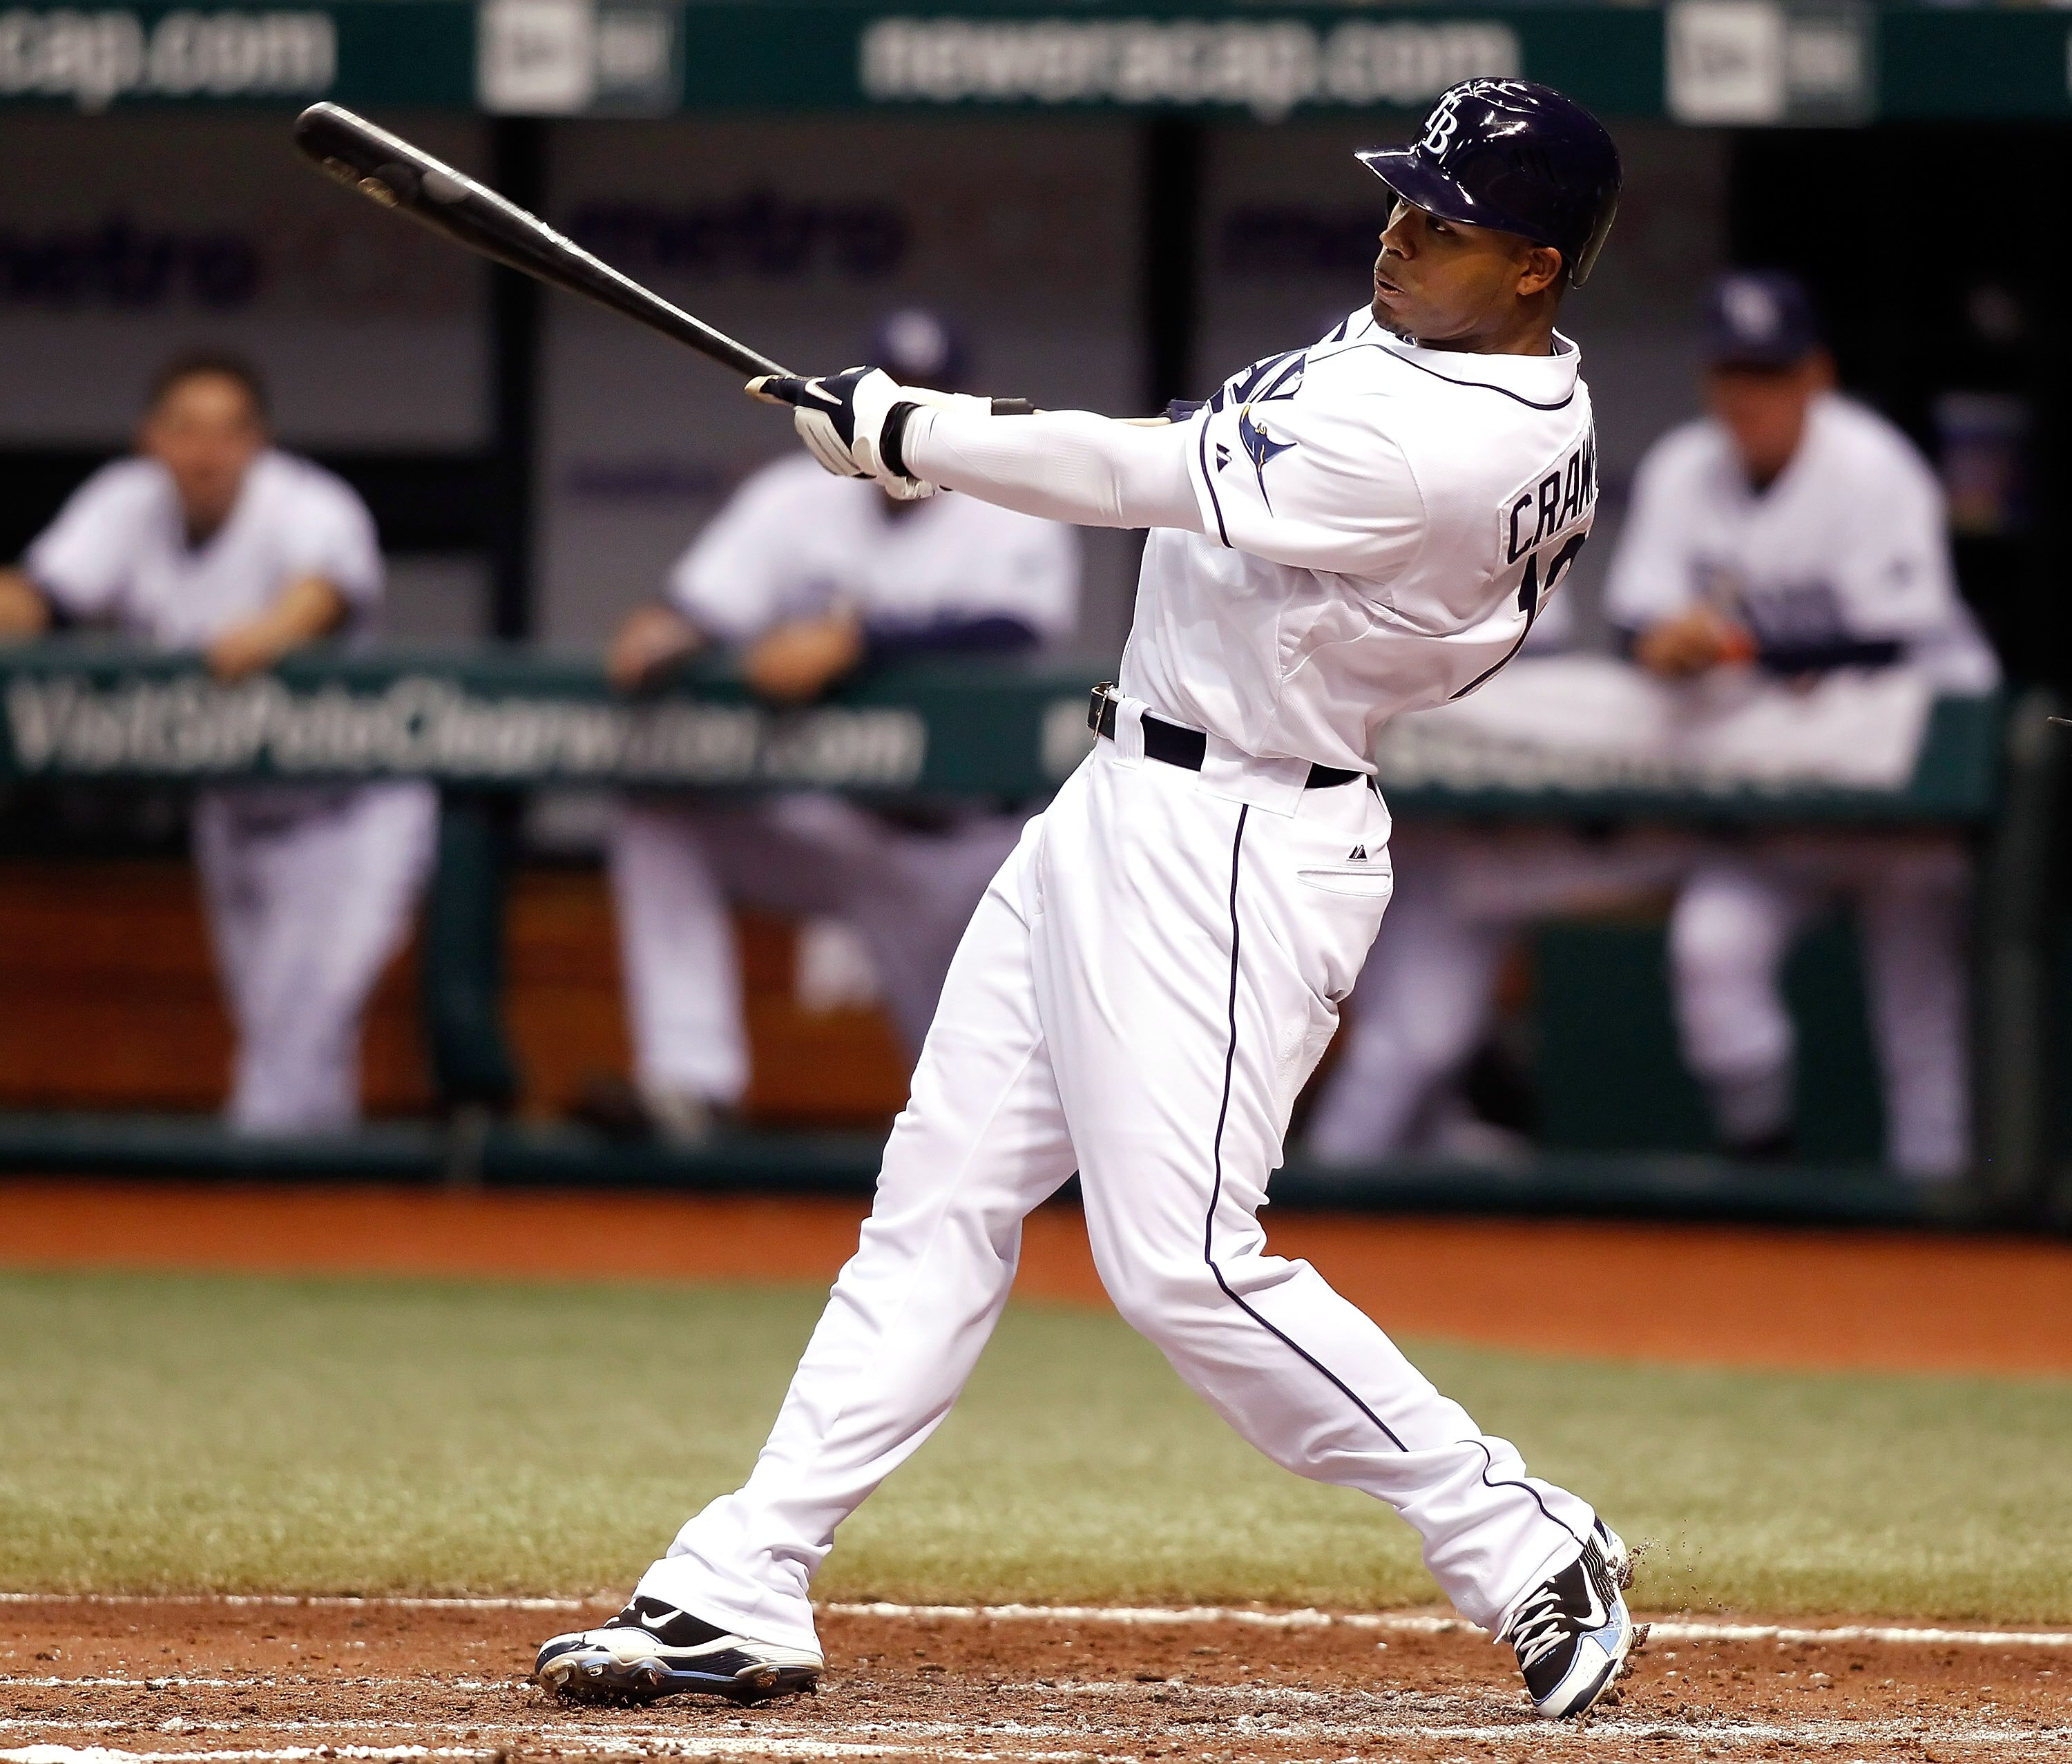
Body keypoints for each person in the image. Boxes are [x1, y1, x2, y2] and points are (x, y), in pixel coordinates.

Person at [538, 82, 1643, 1720]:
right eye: (1405, 196)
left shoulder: (1444, 448)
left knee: (1182, 1260)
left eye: (1450, 219)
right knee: (938, 1198)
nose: (1402, 228)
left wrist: (909, 434)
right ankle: (740, 1578)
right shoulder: (1450, 355)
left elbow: (1137, 470)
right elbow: (1170, 457)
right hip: (1122, 801)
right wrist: (922, 430)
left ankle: (1521, 1534)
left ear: (1536, 269)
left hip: (1241, 841)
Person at [596, 310, 1080, 1140]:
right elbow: (696, 606)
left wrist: (856, 639)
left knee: (981, 1123)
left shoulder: (1015, 500)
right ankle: (690, 1085)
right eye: (892, 400)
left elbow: (1016, 630)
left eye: (926, 403)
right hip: (832, 828)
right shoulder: (791, 499)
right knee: (661, 817)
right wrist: (670, 626)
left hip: (965, 858)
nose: (902, 424)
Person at [1606, 272, 1999, 1179]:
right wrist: (1665, 645)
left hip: (1905, 789)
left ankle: (1936, 1222)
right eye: (1732, 370)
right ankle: (1766, 1183)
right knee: (1711, 946)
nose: (1748, 394)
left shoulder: (1874, 464)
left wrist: (1729, 648)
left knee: (1919, 1011)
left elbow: (1889, 636)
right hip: (1786, 789)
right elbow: (1638, 620)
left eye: (1770, 372)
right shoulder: (1682, 467)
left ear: (1814, 375)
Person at [0, 352, 434, 1134]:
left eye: (229, 432)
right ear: (151, 440)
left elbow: (325, 593)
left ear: (257, 442)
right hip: (233, 808)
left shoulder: (305, 502)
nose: (206, 451)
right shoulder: (124, 502)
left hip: (352, 810)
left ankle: (263, 1192)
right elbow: (36, 596)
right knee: (286, 1041)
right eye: (186, 429)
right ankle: (309, 1229)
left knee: (294, 1042)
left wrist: (268, 632)